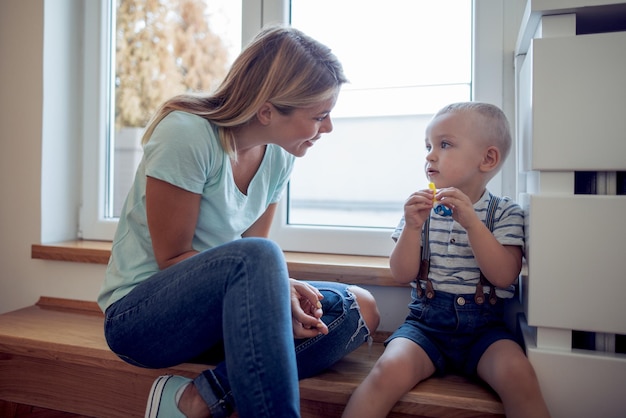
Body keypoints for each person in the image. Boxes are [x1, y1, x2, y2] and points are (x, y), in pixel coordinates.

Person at [97, 25, 380, 418]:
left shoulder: (280, 156)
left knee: (358, 307)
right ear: (267, 110)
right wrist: (275, 281)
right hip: (142, 318)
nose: (328, 128)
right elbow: (175, 257)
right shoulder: (187, 134)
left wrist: (282, 290)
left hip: (223, 311)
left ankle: (197, 398)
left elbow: (252, 264)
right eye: (320, 116)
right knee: (261, 256)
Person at [342, 102, 550, 418]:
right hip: (425, 327)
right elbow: (402, 274)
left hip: (486, 332)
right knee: (387, 370)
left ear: (488, 158)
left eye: (445, 144)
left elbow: (504, 276)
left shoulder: (505, 213)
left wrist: (473, 224)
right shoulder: (420, 210)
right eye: (428, 146)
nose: (429, 155)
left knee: (518, 374)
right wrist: (412, 227)